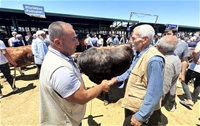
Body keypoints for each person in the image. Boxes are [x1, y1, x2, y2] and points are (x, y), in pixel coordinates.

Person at [39, 21, 110, 126]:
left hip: (67, 116)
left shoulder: (56, 57)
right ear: (58, 43)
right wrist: (102, 86)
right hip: (66, 122)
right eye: (73, 39)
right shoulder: (60, 69)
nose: (77, 43)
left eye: (76, 38)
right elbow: (83, 97)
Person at [108, 24, 165, 126]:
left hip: (141, 110)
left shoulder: (154, 60)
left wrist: (141, 116)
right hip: (134, 104)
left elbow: (155, 92)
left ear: (145, 39)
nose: (130, 41)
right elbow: (130, 71)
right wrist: (116, 79)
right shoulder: (140, 54)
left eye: (133, 38)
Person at [164, 28, 190, 111]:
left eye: (168, 33)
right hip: (162, 67)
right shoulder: (162, 41)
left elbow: (184, 60)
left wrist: (182, 73)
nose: (166, 35)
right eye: (165, 34)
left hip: (174, 70)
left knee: (172, 90)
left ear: (175, 34)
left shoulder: (183, 45)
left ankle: (171, 101)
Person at [156, 36, 181, 108]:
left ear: (159, 46)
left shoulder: (166, 63)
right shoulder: (175, 57)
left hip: (158, 98)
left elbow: (164, 87)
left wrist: (155, 102)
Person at [180, 41, 200, 108]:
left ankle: (189, 99)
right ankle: (194, 99)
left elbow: (195, 52)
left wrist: (195, 59)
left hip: (195, 68)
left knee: (184, 80)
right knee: (198, 84)